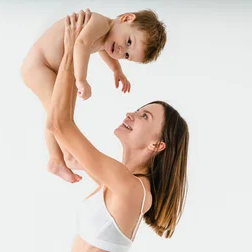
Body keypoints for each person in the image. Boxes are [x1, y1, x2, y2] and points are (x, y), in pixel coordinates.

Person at [46, 10, 190, 252]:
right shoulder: (116, 180)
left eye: (144, 116)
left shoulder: (129, 188)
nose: (131, 113)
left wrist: (71, 48)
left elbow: (61, 124)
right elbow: (62, 134)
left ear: (156, 146)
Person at [21, 8, 167, 183]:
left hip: (58, 71)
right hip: (40, 65)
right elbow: (81, 43)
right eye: (128, 41)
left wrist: (116, 70)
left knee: (60, 113)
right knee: (57, 112)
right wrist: (81, 79)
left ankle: (56, 160)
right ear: (126, 18)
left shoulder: (105, 34)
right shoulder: (98, 22)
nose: (121, 51)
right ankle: (65, 156)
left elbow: (103, 49)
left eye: (127, 55)